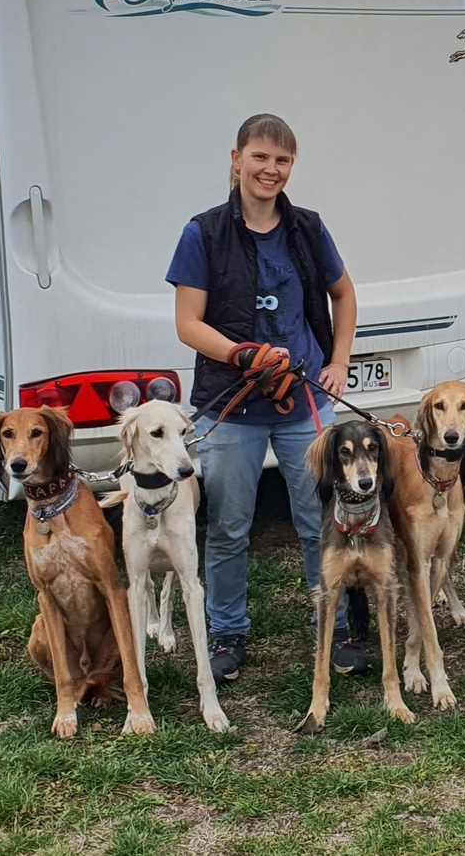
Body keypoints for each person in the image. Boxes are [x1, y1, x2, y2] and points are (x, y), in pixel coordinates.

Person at [167, 113, 366, 684]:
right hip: (233, 401)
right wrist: (242, 355)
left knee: (321, 520)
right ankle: (227, 632)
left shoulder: (306, 228)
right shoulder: (202, 233)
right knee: (230, 523)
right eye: (260, 157)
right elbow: (188, 323)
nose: (270, 170)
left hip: (303, 399)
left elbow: (344, 295)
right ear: (236, 159)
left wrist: (338, 362)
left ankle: (333, 625)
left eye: (282, 161)